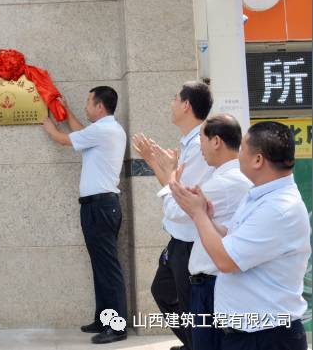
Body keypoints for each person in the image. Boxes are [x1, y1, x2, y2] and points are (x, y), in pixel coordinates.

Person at [170, 121, 310, 350]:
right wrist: (207, 216)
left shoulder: (278, 207)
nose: (238, 154)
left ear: (258, 160)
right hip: (248, 333)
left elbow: (227, 261)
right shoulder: (260, 196)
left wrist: (198, 215)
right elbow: (232, 239)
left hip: (267, 336)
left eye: (243, 148)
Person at [154, 115, 252, 350]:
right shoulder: (228, 178)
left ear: (216, 141)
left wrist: (171, 174)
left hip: (213, 283)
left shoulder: (225, 183)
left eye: (201, 140)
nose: (201, 148)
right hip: (212, 281)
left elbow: (174, 211)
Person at [41, 86, 127, 345]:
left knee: (108, 268)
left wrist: (46, 123)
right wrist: (66, 113)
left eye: (89, 102)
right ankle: (104, 319)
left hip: (100, 207)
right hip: (97, 206)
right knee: (100, 266)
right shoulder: (104, 130)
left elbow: (64, 139)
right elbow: (80, 132)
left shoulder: (104, 130)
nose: (86, 106)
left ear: (100, 106)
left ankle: (117, 326)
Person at [132, 81, 213, 350]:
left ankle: (195, 345)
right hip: (180, 237)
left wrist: (160, 166)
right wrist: (156, 163)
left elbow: (180, 203)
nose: (171, 103)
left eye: (174, 98)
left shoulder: (199, 145)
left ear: (187, 105)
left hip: (190, 241)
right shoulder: (188, 142)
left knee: (189, 305)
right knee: (164, 290)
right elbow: (173, 190)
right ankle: (192, 344)